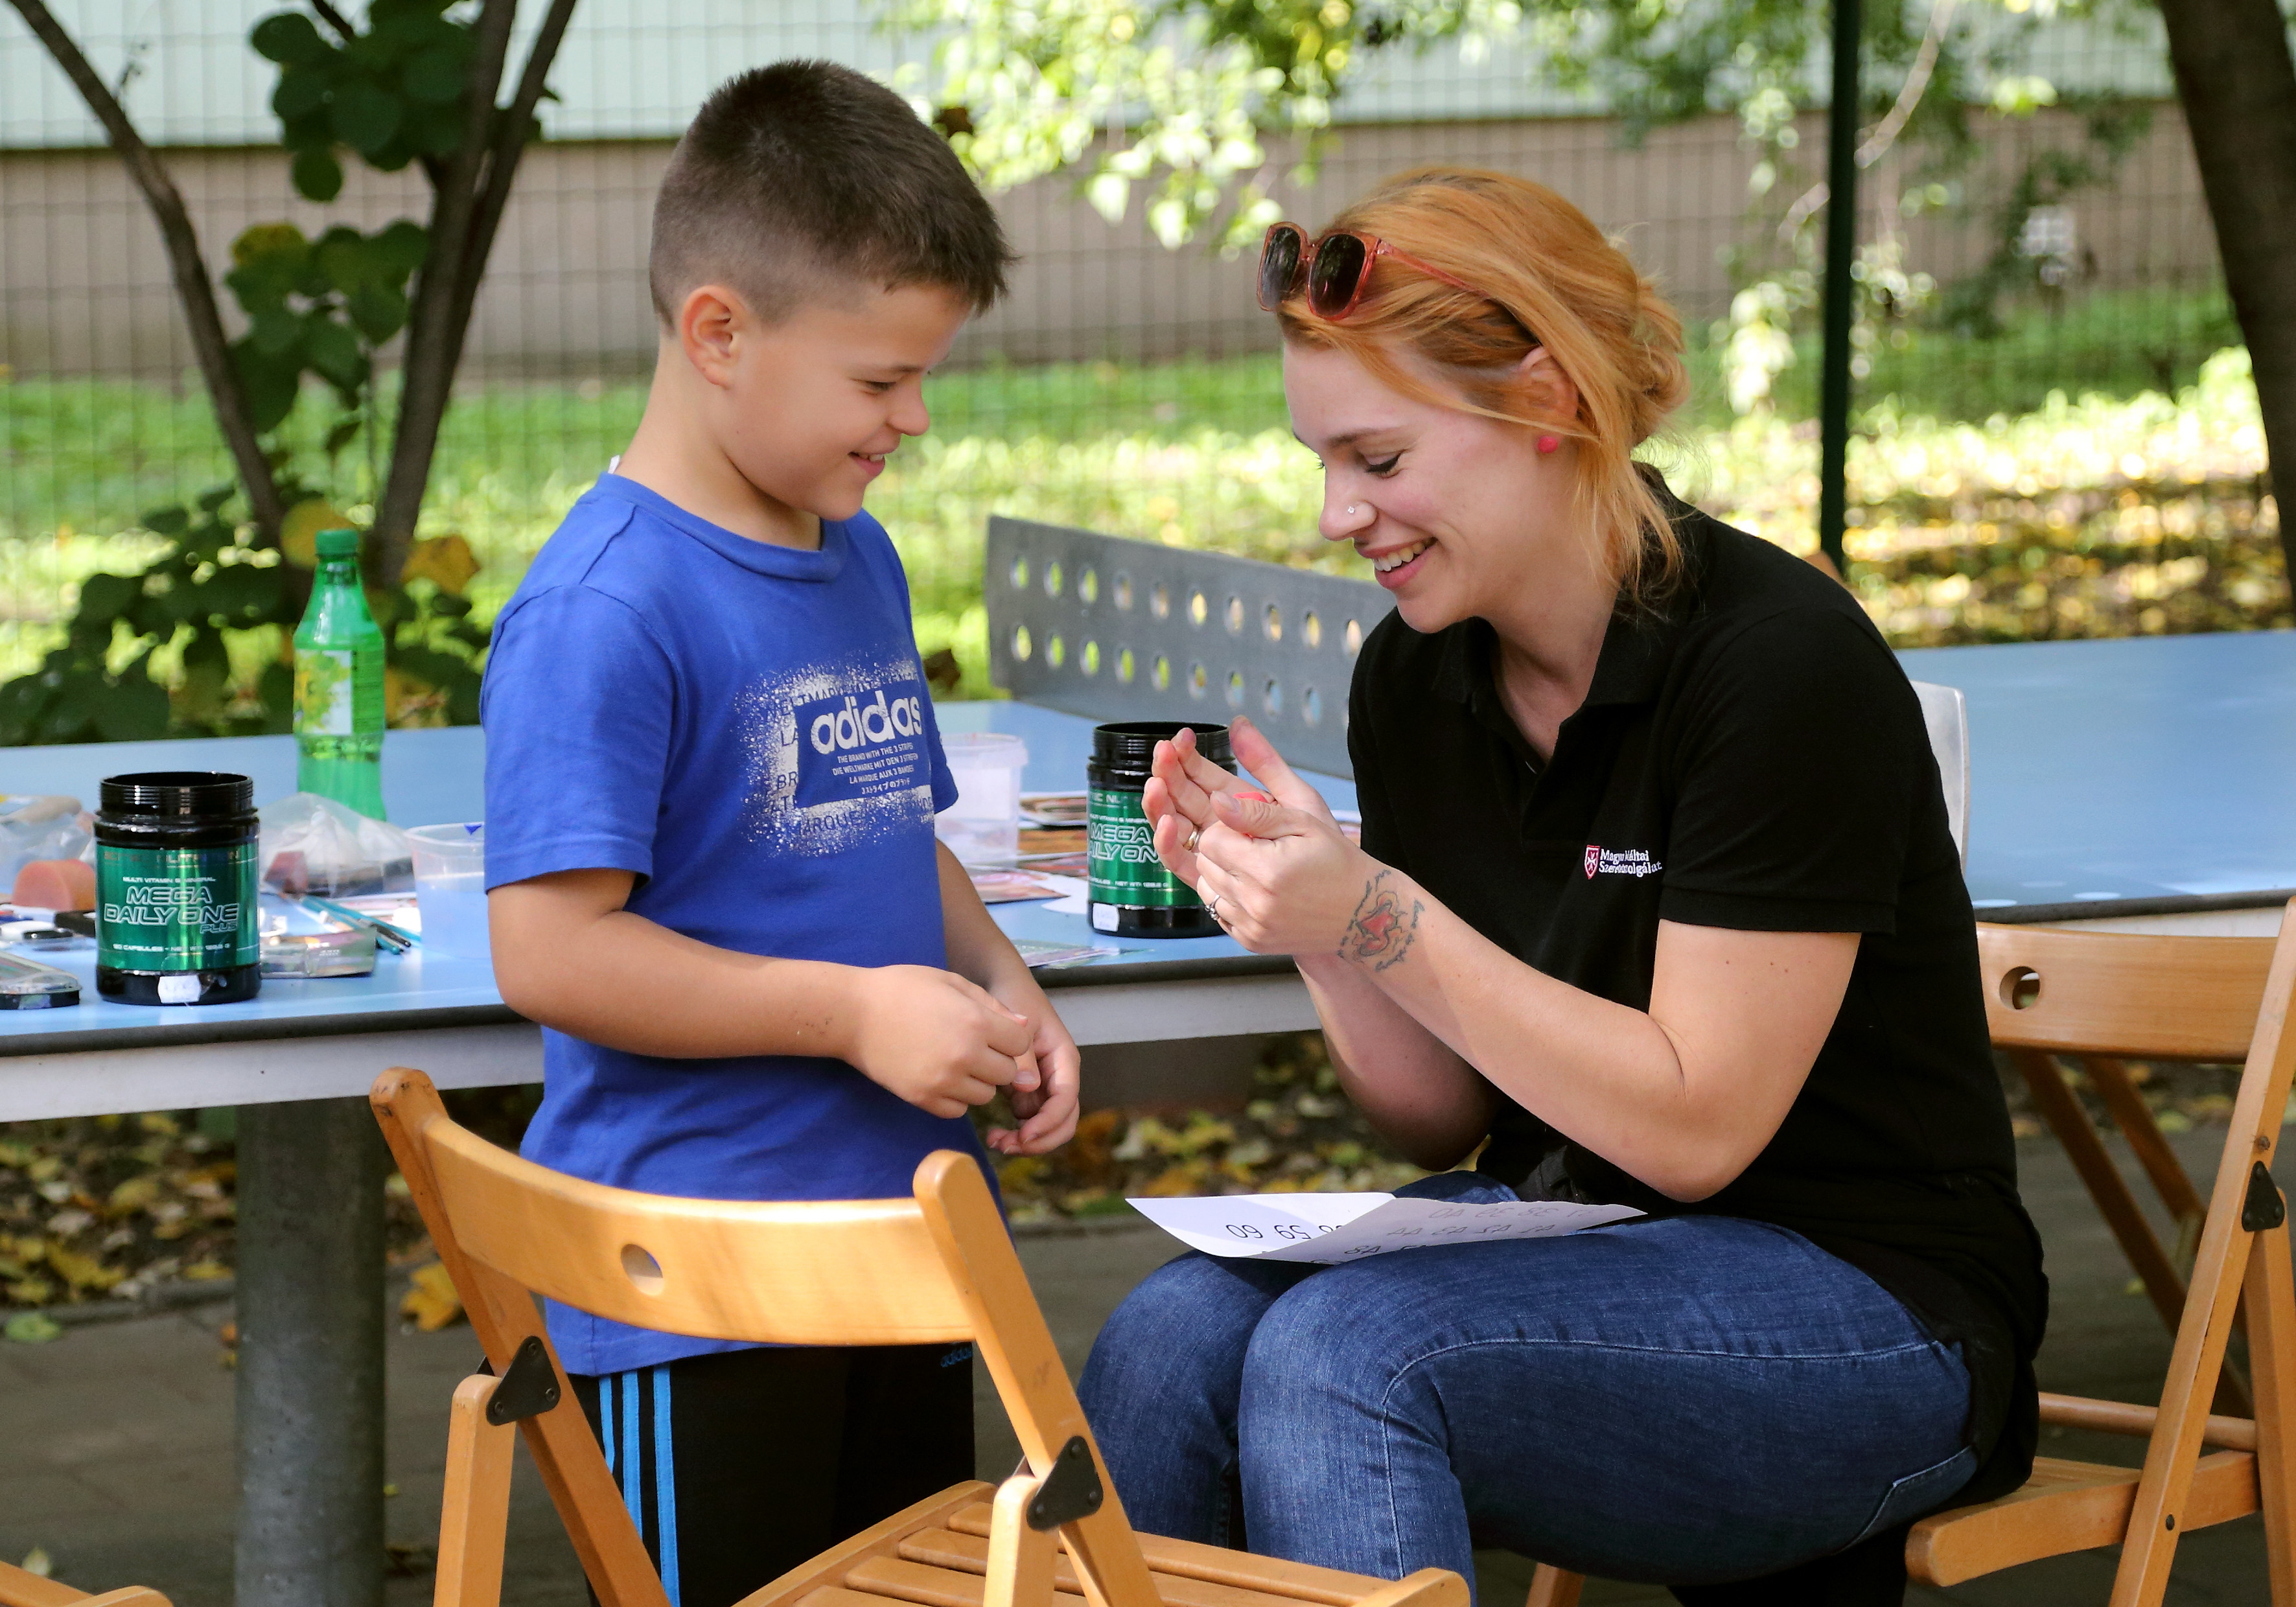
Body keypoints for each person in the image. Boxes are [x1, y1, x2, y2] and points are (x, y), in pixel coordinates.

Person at [1076, 168, 2046, 1606]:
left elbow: (1695, 1128)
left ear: (1544, 404)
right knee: (1162, 1338)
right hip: (1573, 1243)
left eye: (1380, 459)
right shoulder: (1414, 672)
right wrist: (1314, 928)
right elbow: (1438, 1110)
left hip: (1874, 1308)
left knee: (1351, 1357)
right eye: (1321, 461)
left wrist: (1373, 915)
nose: (1339, 514)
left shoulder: (1776, 668)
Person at [480, 60, 1080, 1607]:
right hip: (701, 1287)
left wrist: (1005, 986)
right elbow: (548, 949)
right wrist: (851, 1012)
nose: (916, 418)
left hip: (901, 1249)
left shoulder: (853, 552)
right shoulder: (604, 610)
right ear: (720, 334)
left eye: (926, 376)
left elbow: (892, 827)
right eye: (880, 381)